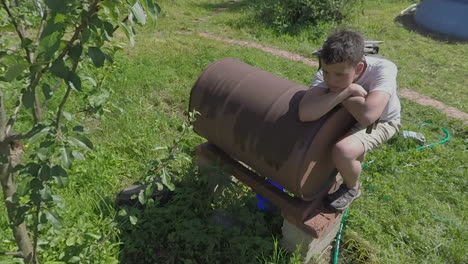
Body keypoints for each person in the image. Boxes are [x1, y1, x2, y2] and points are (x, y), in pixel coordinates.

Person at [298, 29, 401, 210]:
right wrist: (347, 91)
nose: (331, 80)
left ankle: (352, 187)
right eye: (326, 72)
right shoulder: (331, 69)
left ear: (359, 68)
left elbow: (368, 116)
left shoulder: (384, 69)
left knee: (343, 151)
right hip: (349, 113)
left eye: (339, 75)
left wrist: (335, 95)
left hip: (382, 120)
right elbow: (305, 113)